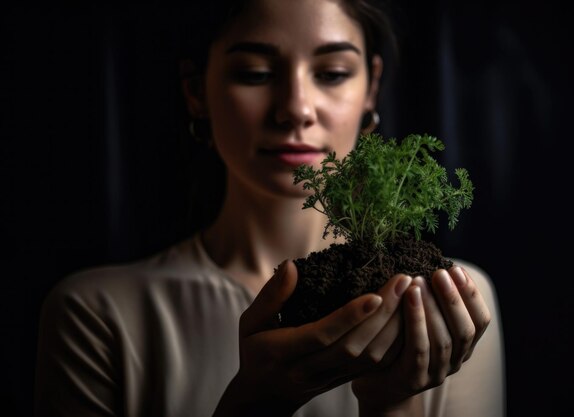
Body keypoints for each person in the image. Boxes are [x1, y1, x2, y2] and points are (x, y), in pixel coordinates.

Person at [34, 0, 505, 416]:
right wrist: (255, 403)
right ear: (196, 91)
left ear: (371, 88)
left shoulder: (446, 305)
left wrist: (394, 402)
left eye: (332, 73)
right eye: (255, 73)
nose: (295, 108)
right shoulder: (98, 315)